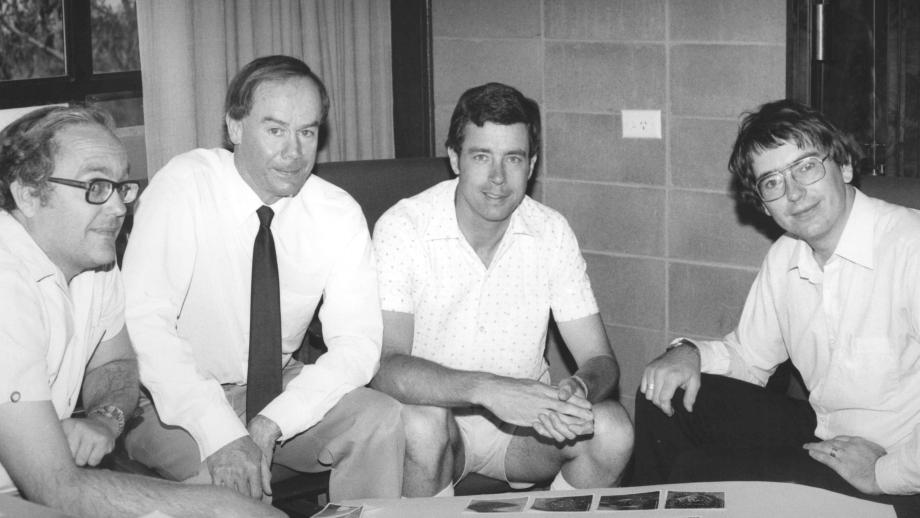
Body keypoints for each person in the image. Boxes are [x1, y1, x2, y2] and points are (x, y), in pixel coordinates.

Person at [121, 55, 403, 501]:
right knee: (231, 491)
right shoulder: (183, 187)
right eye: (275, 130)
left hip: (279, 387)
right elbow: (145, 324)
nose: (294, 152)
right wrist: (220, 432)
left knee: (382, 420)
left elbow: (358, 344)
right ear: (234, 128)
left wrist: (277, 419)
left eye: (307, 132)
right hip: (172, 399)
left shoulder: (337, 212)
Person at [632, 99, 920, 516]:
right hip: (828, 442)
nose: (794, 193)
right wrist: (688, 353)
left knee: (698, 474)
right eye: (772, 182)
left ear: (843, 166)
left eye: (805, 167)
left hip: (899, 470)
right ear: (765, 205)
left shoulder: (910, 246)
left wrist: (884, 473)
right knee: (663, 391)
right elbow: (749, 358)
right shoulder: (785, 256)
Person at [0, 105, 282, 517]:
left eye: (121, 187)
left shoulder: (94, 260)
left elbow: (116, 362)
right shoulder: (7, 283)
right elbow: (57, 488)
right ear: (27, 193)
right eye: (95, 186)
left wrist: (105, 419)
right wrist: (223, 506)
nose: (118, 209)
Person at [370, 82, 634, 497]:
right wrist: (490, 390)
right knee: (423, 423)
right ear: (455, 159)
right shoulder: (403, 228)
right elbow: (385, 366)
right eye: (481, 156)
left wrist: (578, 389)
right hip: (437, 425)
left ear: (531, 165)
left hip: (524, 433)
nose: (497, 178)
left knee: (613, 429)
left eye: (512, 158)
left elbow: (599, 359)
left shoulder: (551, 231)